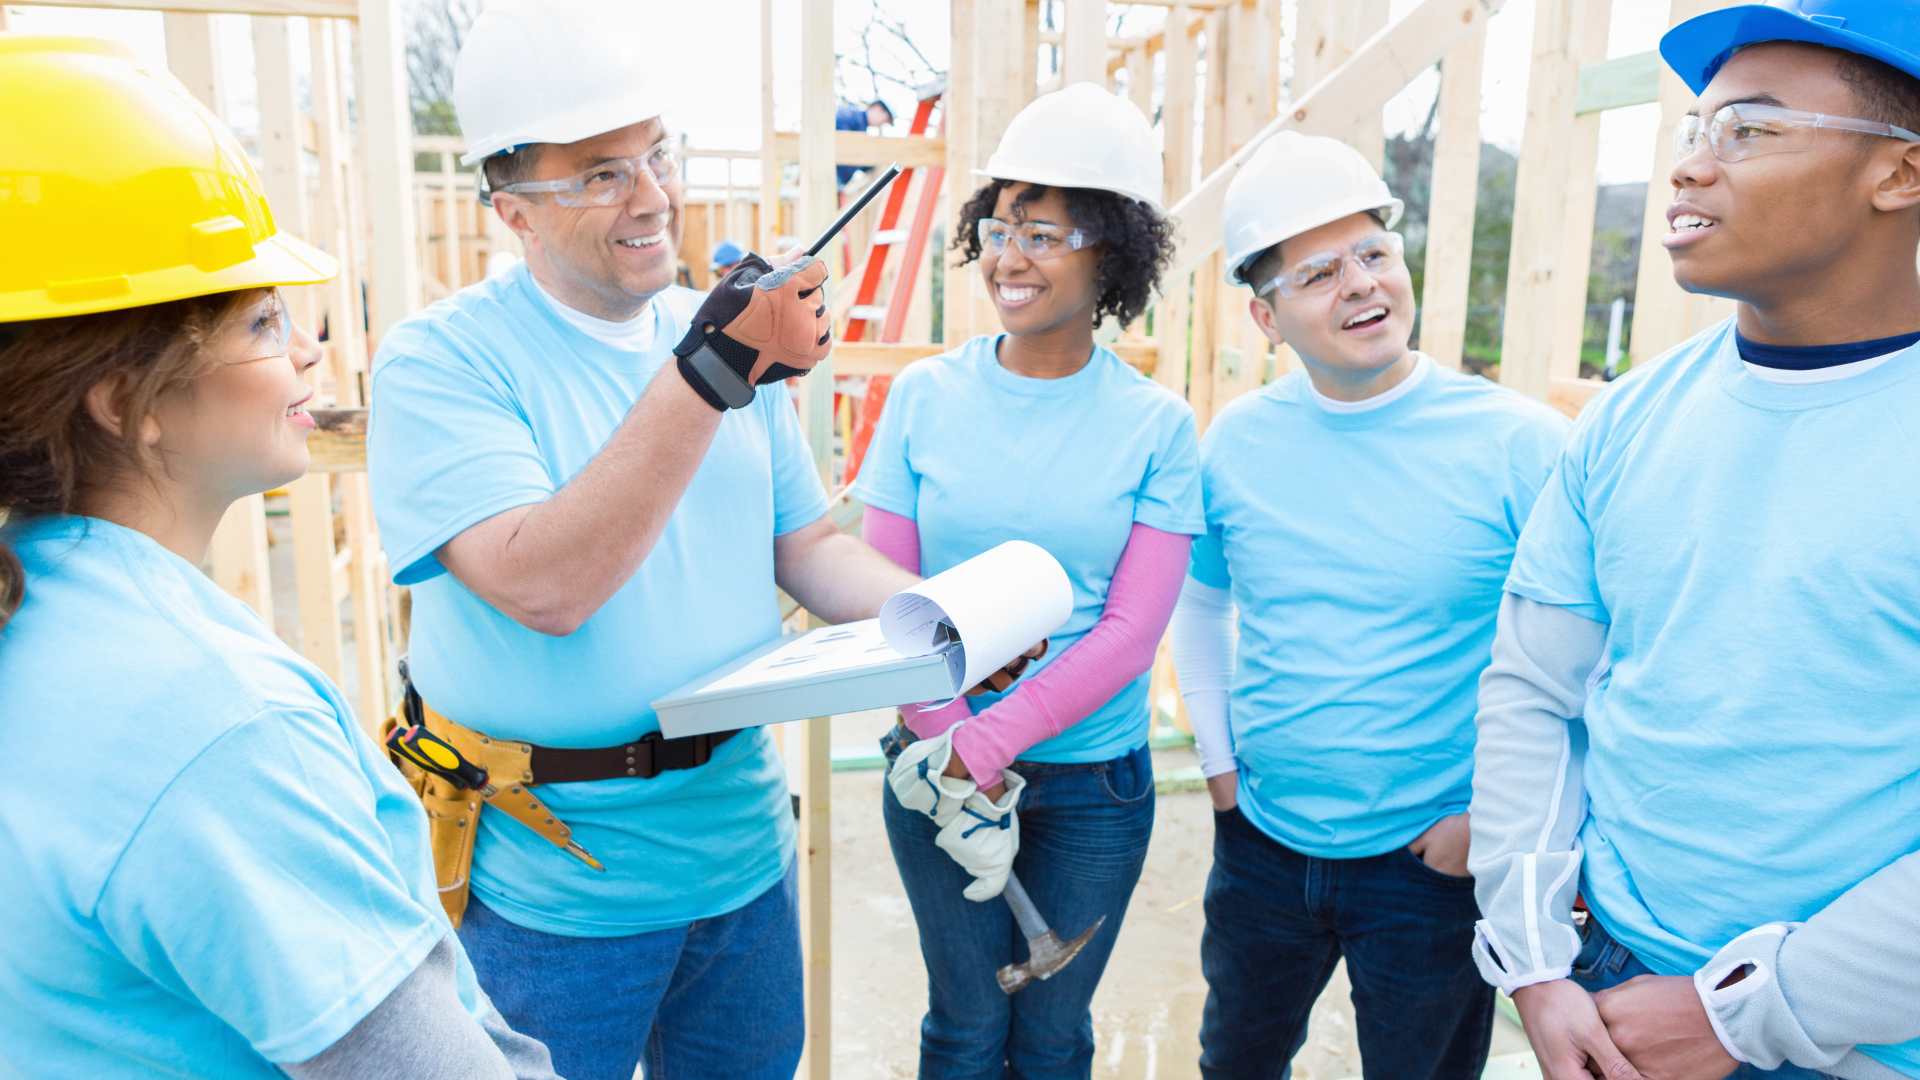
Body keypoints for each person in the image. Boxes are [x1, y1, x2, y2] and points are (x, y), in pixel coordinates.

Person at [365, 5, 1034, 1078]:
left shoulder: (715, 344)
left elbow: (805, 546)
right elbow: (545, 585)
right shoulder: (444, 363)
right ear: (511, 211)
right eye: (598, 174)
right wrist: (710, 374)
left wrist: (936, 617)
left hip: (740, 857)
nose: (652, 195)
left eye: (653, 154)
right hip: (553, 887)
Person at [0, 35, 556, 1079]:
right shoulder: (211, 721)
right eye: (261, 319)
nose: (308, 349)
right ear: (127, 403)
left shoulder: (33, 603)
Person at [1467, 3, 1920, 1079]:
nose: (1689, 169)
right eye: (1694, 129)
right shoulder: (1627, 421)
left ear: (1901, 174)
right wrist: (1535, 959)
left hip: (1860, 1036)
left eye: (1749, 131)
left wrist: (1741, 1013)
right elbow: (1536, 692)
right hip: (1610, 986)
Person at [1169, 130, 1569, 1080]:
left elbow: (1589, 660)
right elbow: (1200, 607)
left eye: (1374, 254)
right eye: (1317, 273)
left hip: (1429, 861)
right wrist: (1221, 772)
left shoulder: (1522, 447)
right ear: (1267, 319)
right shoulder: (1237, 444)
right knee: (1235, 1061)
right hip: (1264, 844)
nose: (1360, 285)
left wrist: (1492, 822)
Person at [856, 81, 1201, 1078]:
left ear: (1114, 255)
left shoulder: (1157, 427)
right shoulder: (925, 397)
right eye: (1002, 229)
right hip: (935, 770)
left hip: (1095, 785)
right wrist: (947, 753)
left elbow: (1131, 635)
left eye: (1045, 235)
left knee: (1052, 1034)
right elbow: (886, 593)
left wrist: (991, 743)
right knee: (964, 1028)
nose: (1011, 256)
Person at [836, 97, 895, 187]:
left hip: (837, 178)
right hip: (831, 173)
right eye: (884, 120)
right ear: (877, 109)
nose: (882, 124)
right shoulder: (851, 116)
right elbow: (845, 145)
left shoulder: (861, 127)